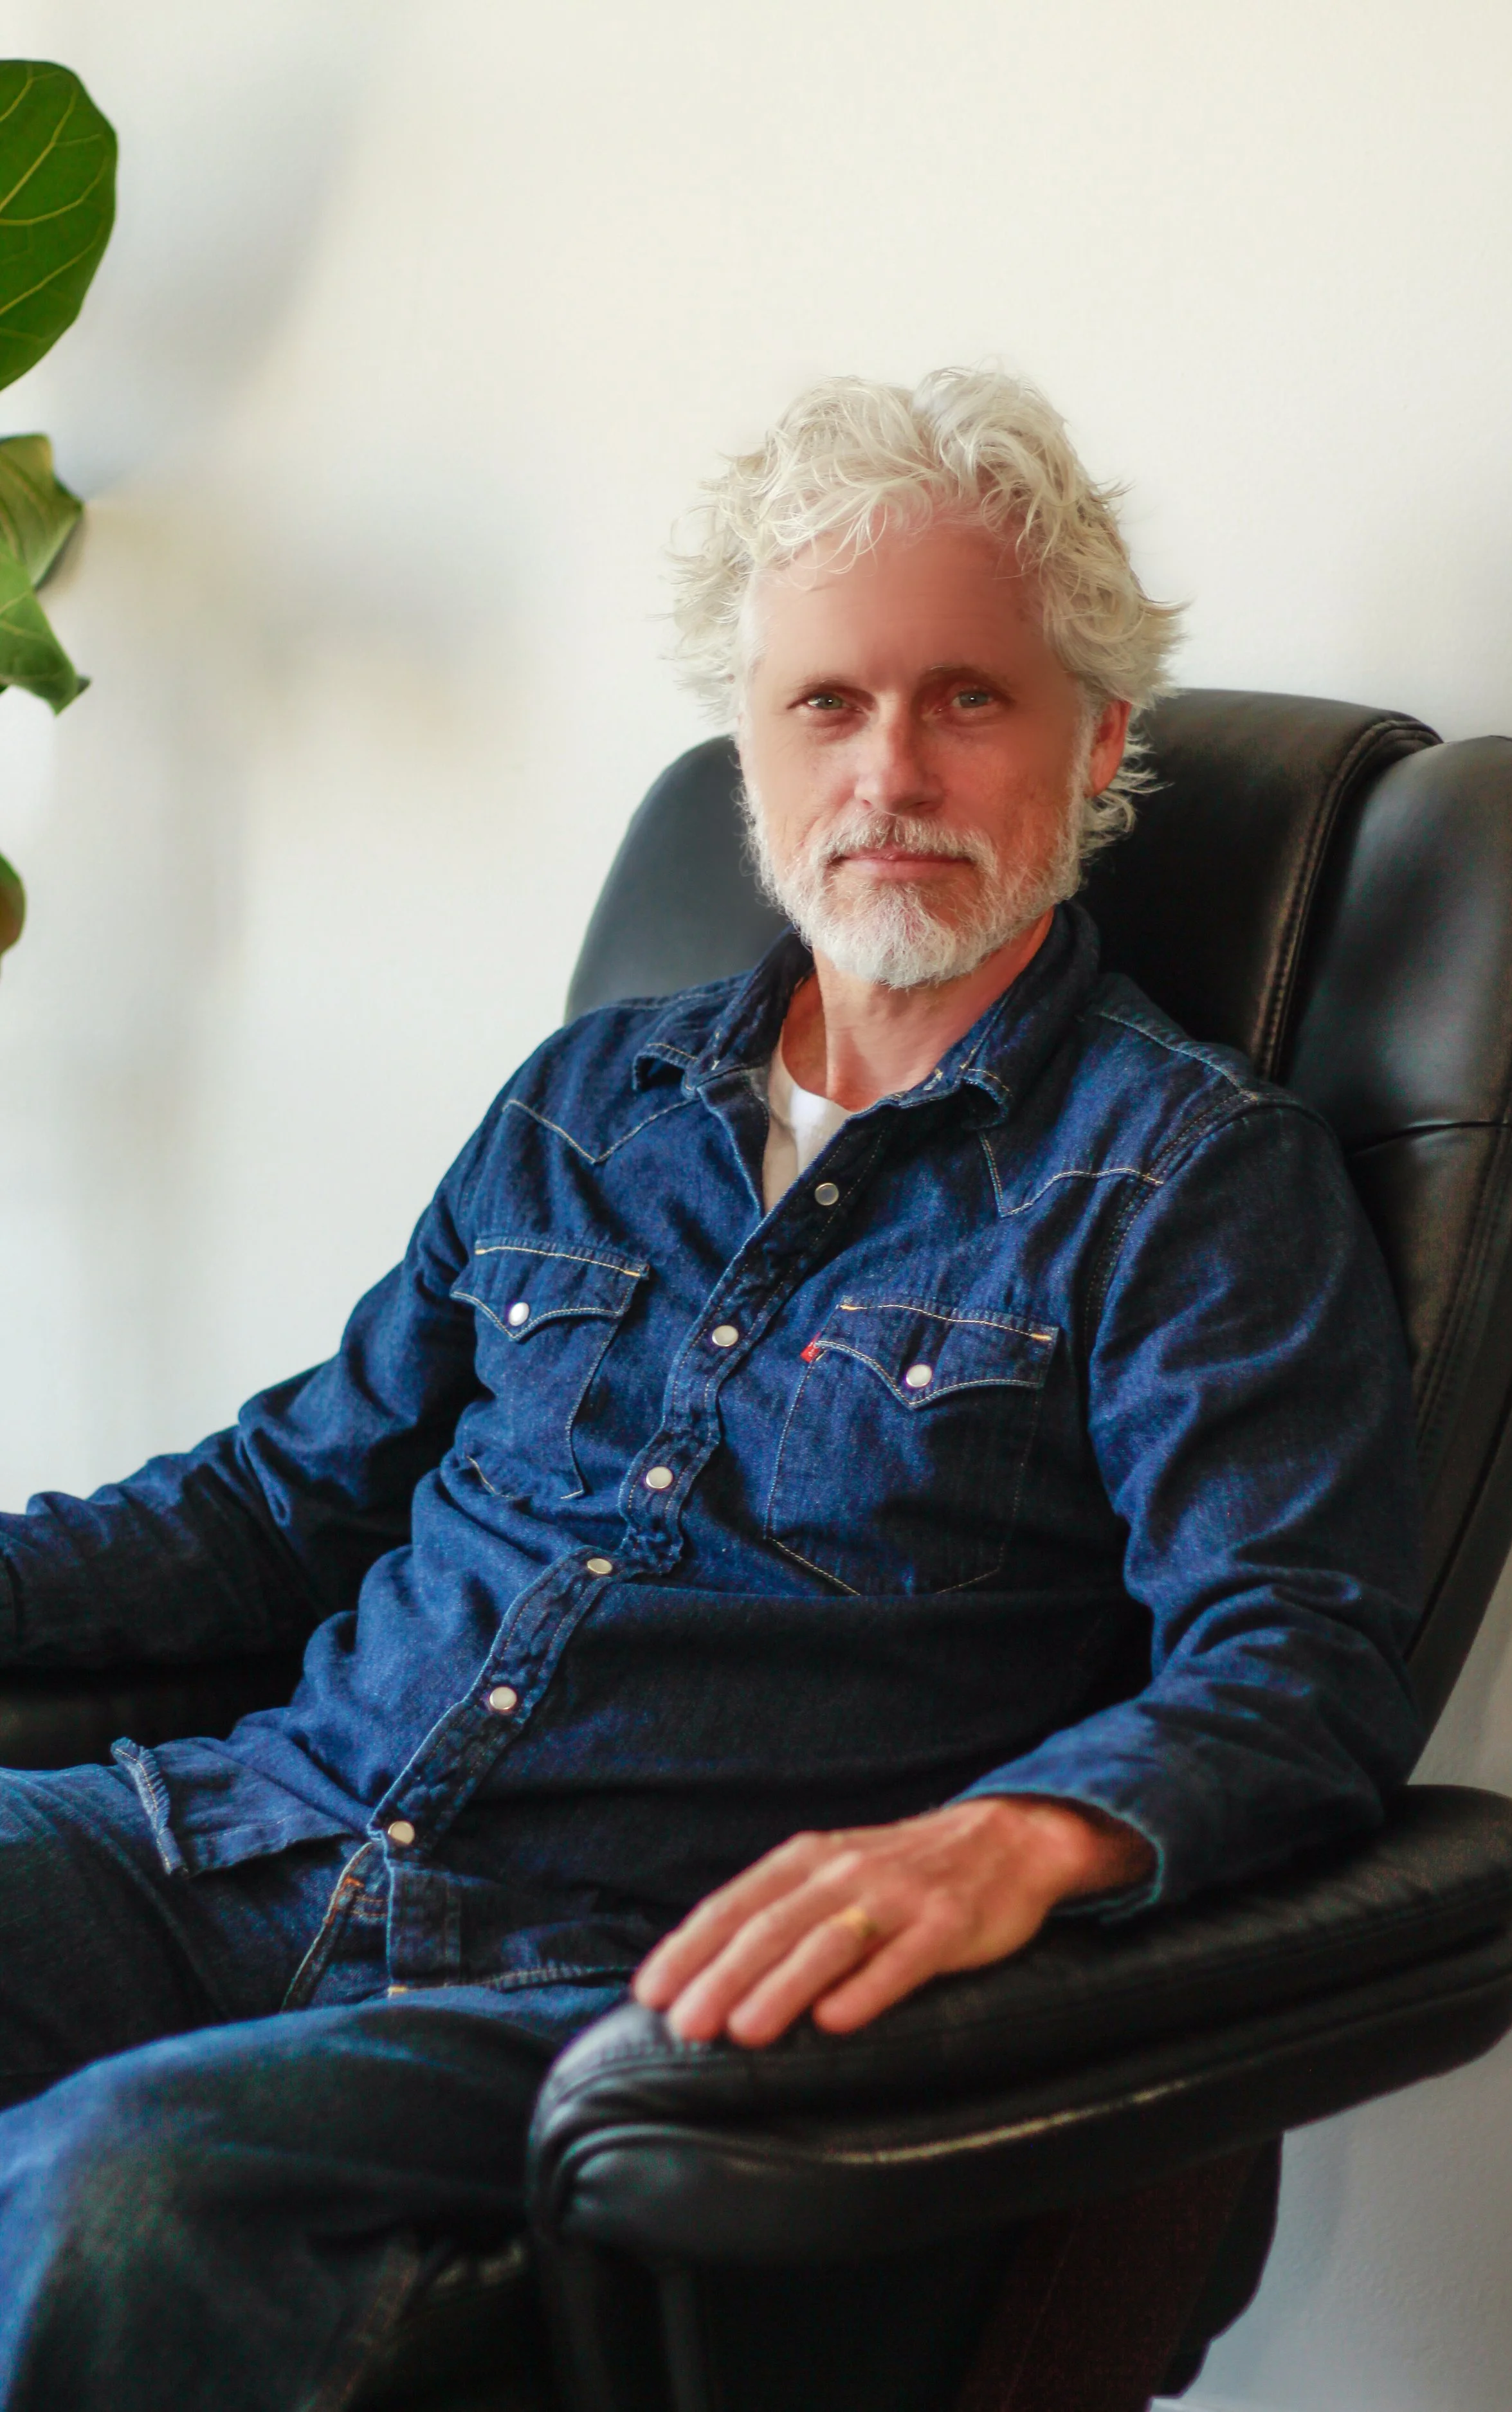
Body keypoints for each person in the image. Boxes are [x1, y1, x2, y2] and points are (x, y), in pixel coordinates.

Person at [0, 369, 1423, 2409]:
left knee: (113, 2191)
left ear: (1100, 739)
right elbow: (275, 1504)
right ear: (748, 755)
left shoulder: (1192, 1178)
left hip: (613, 1982)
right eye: (825, 704)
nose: (888, 773)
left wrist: (1019, 1836)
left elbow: (1296, 1662)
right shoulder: (588, 1103)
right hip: (243, 1840)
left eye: (969, 697)